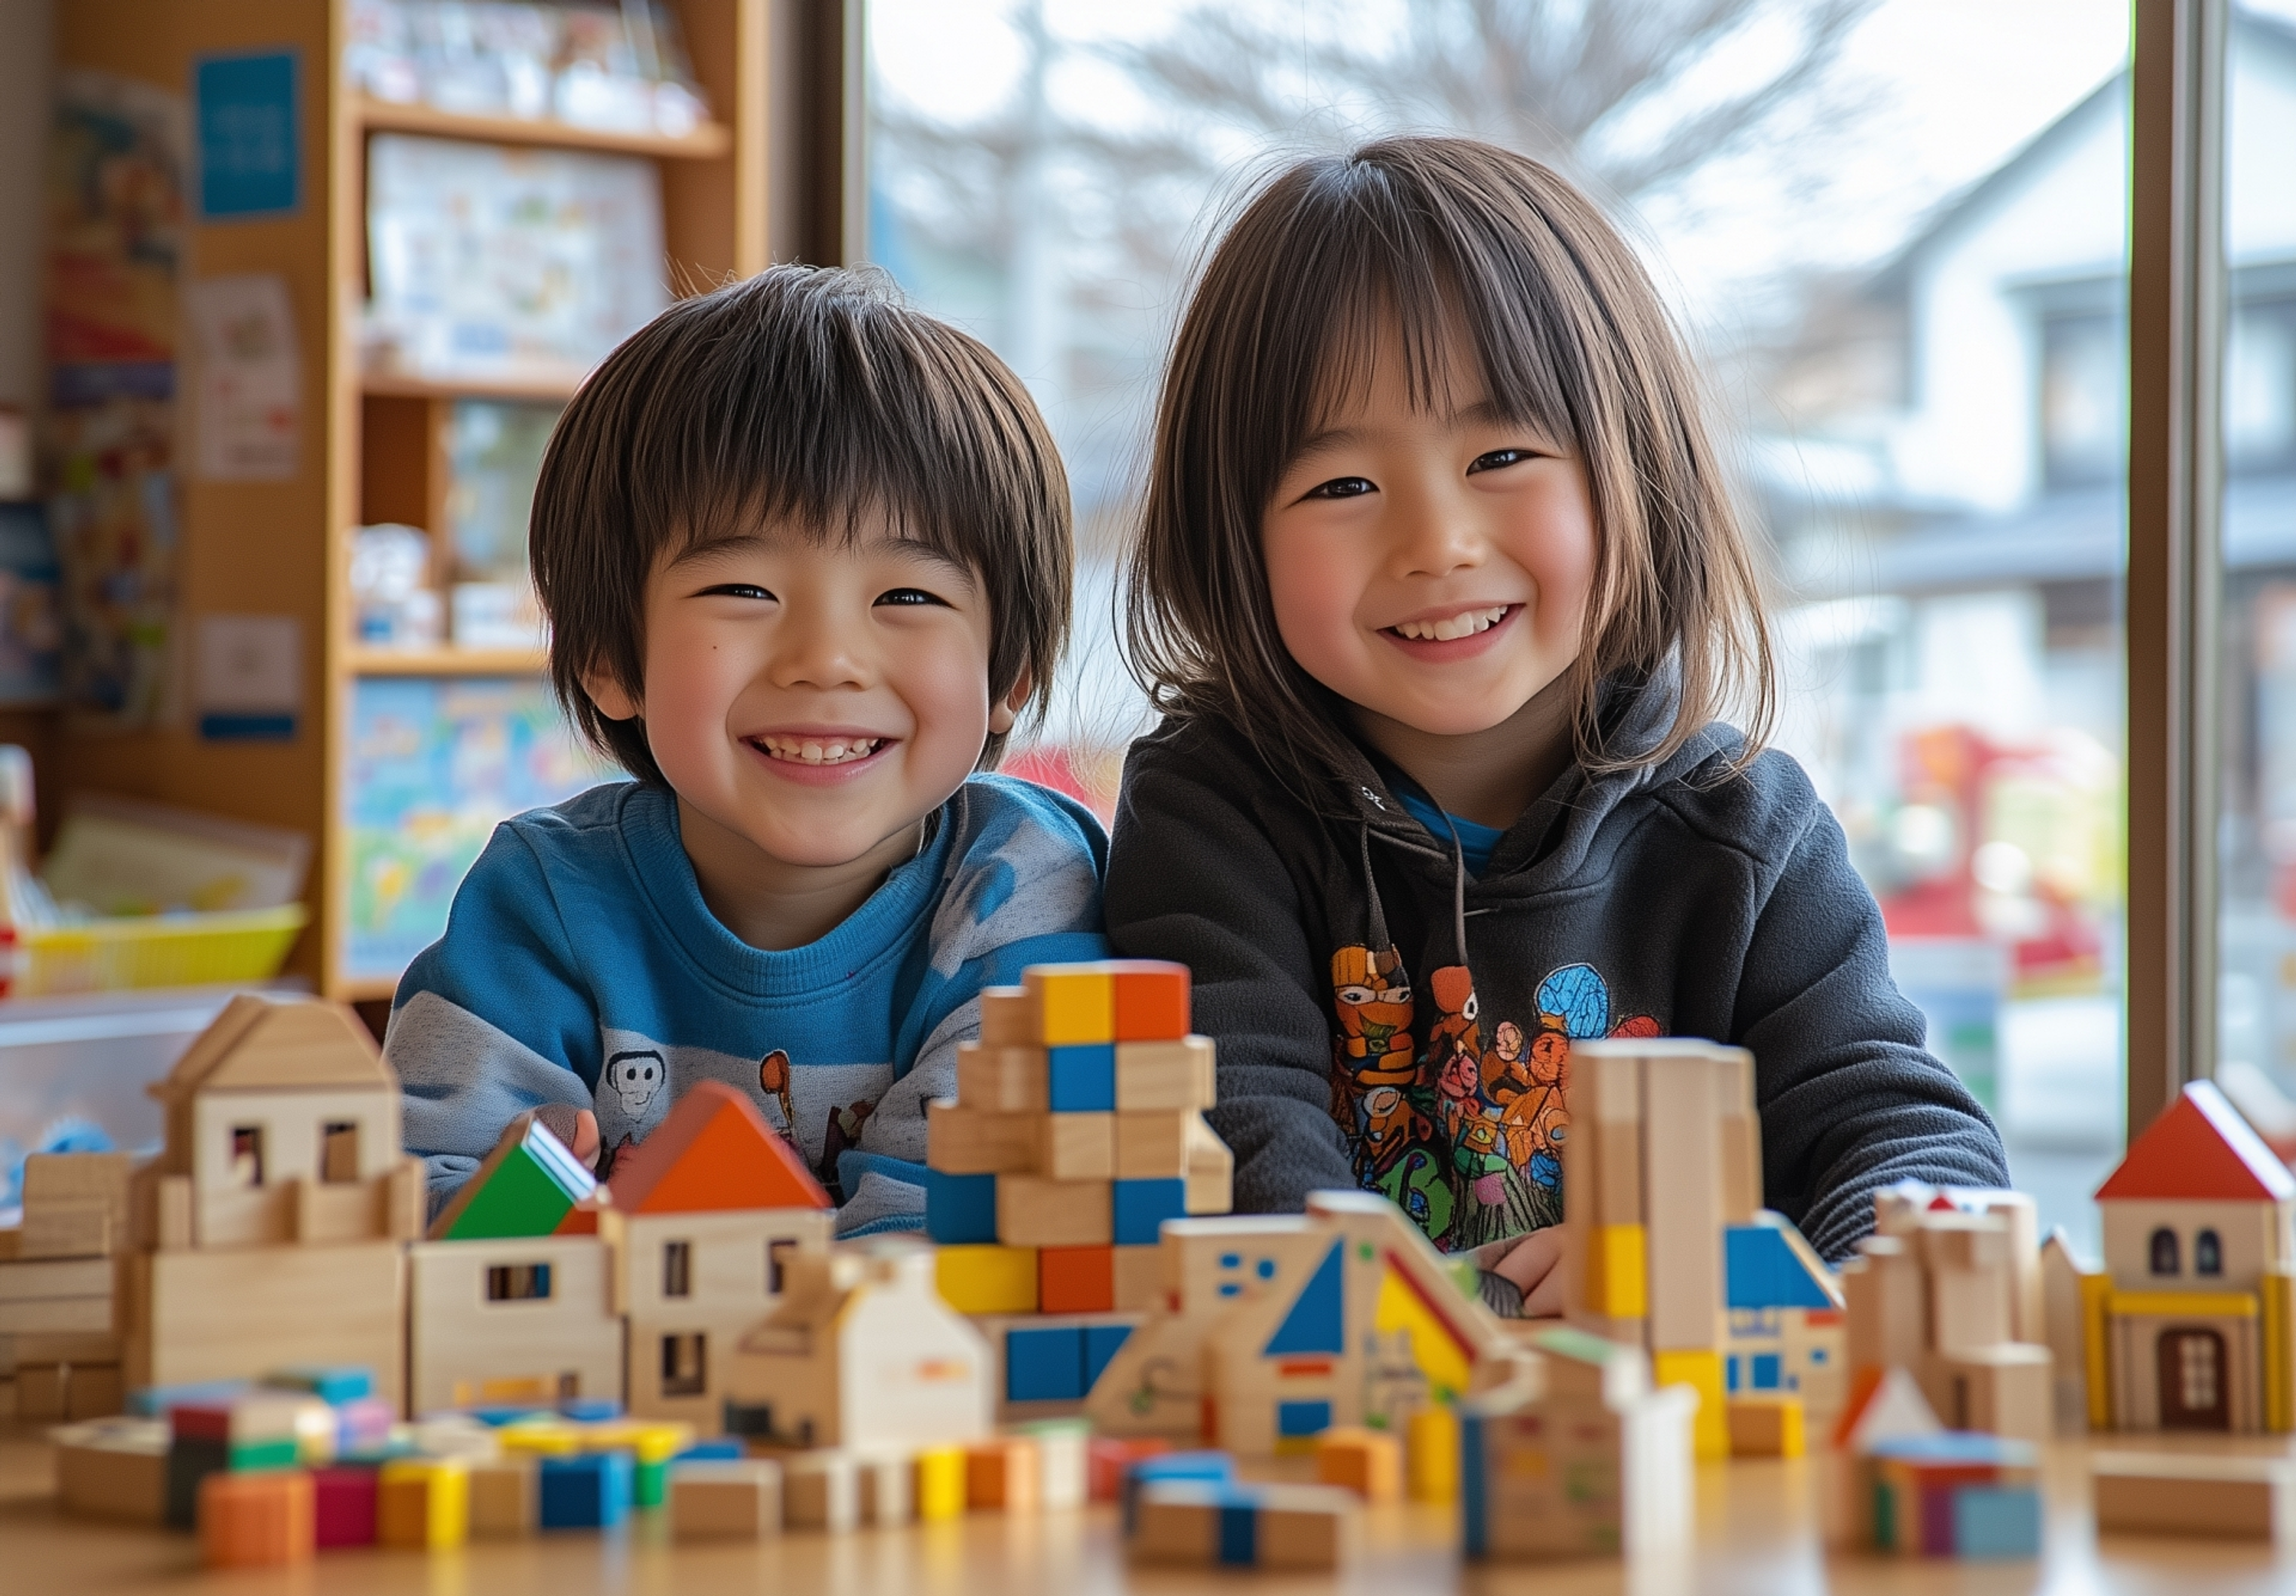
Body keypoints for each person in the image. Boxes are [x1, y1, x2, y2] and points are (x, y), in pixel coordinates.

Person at [1106, 137, 2007, 1314]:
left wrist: (1726, 1276)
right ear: (1234, 536)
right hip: (1352, 1444)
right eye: (1342, 486)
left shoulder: (1748, 833)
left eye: (1503, 456)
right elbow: (1225, 1133)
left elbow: (1897, 1134)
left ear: (1635, 473)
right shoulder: (1213, 809)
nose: (1437, 543)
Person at [390, 265, 1107, 1236]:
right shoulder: (549, 900)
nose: (828, 659)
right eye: (745, 591)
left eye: (907, 597)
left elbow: (945, 1239)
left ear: (1009, 675)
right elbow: (431, 1213)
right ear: (609, 656)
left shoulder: (1017, 888)